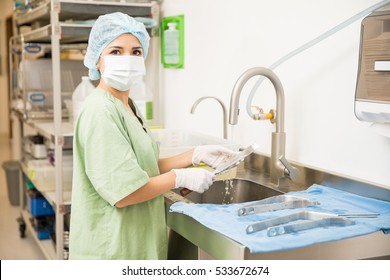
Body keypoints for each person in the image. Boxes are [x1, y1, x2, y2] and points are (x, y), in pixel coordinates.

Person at [68, 12, 237, 260]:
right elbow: (125, 192)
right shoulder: (100, 111)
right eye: (115, 51)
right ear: (97, 59)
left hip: (134, 243)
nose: (127, 58)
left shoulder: (127, 105)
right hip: (111, 250)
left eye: (136, 52)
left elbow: (138, 169)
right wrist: (179, 177)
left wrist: (194, 155)